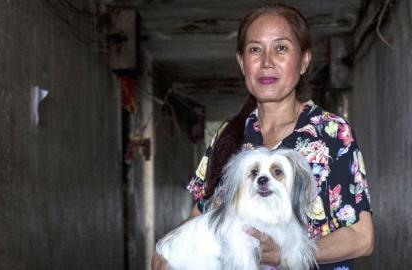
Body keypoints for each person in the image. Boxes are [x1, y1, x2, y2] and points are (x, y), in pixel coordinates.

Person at [152, 4, 374, 270]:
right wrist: (167, 251)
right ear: (241, 62)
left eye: (281, 48)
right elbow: (198, 219)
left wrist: (285, 253)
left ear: (304, 60)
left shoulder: (332, 133)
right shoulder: (226, 135)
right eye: (255, 49)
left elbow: (362, 238)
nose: (266, 61)